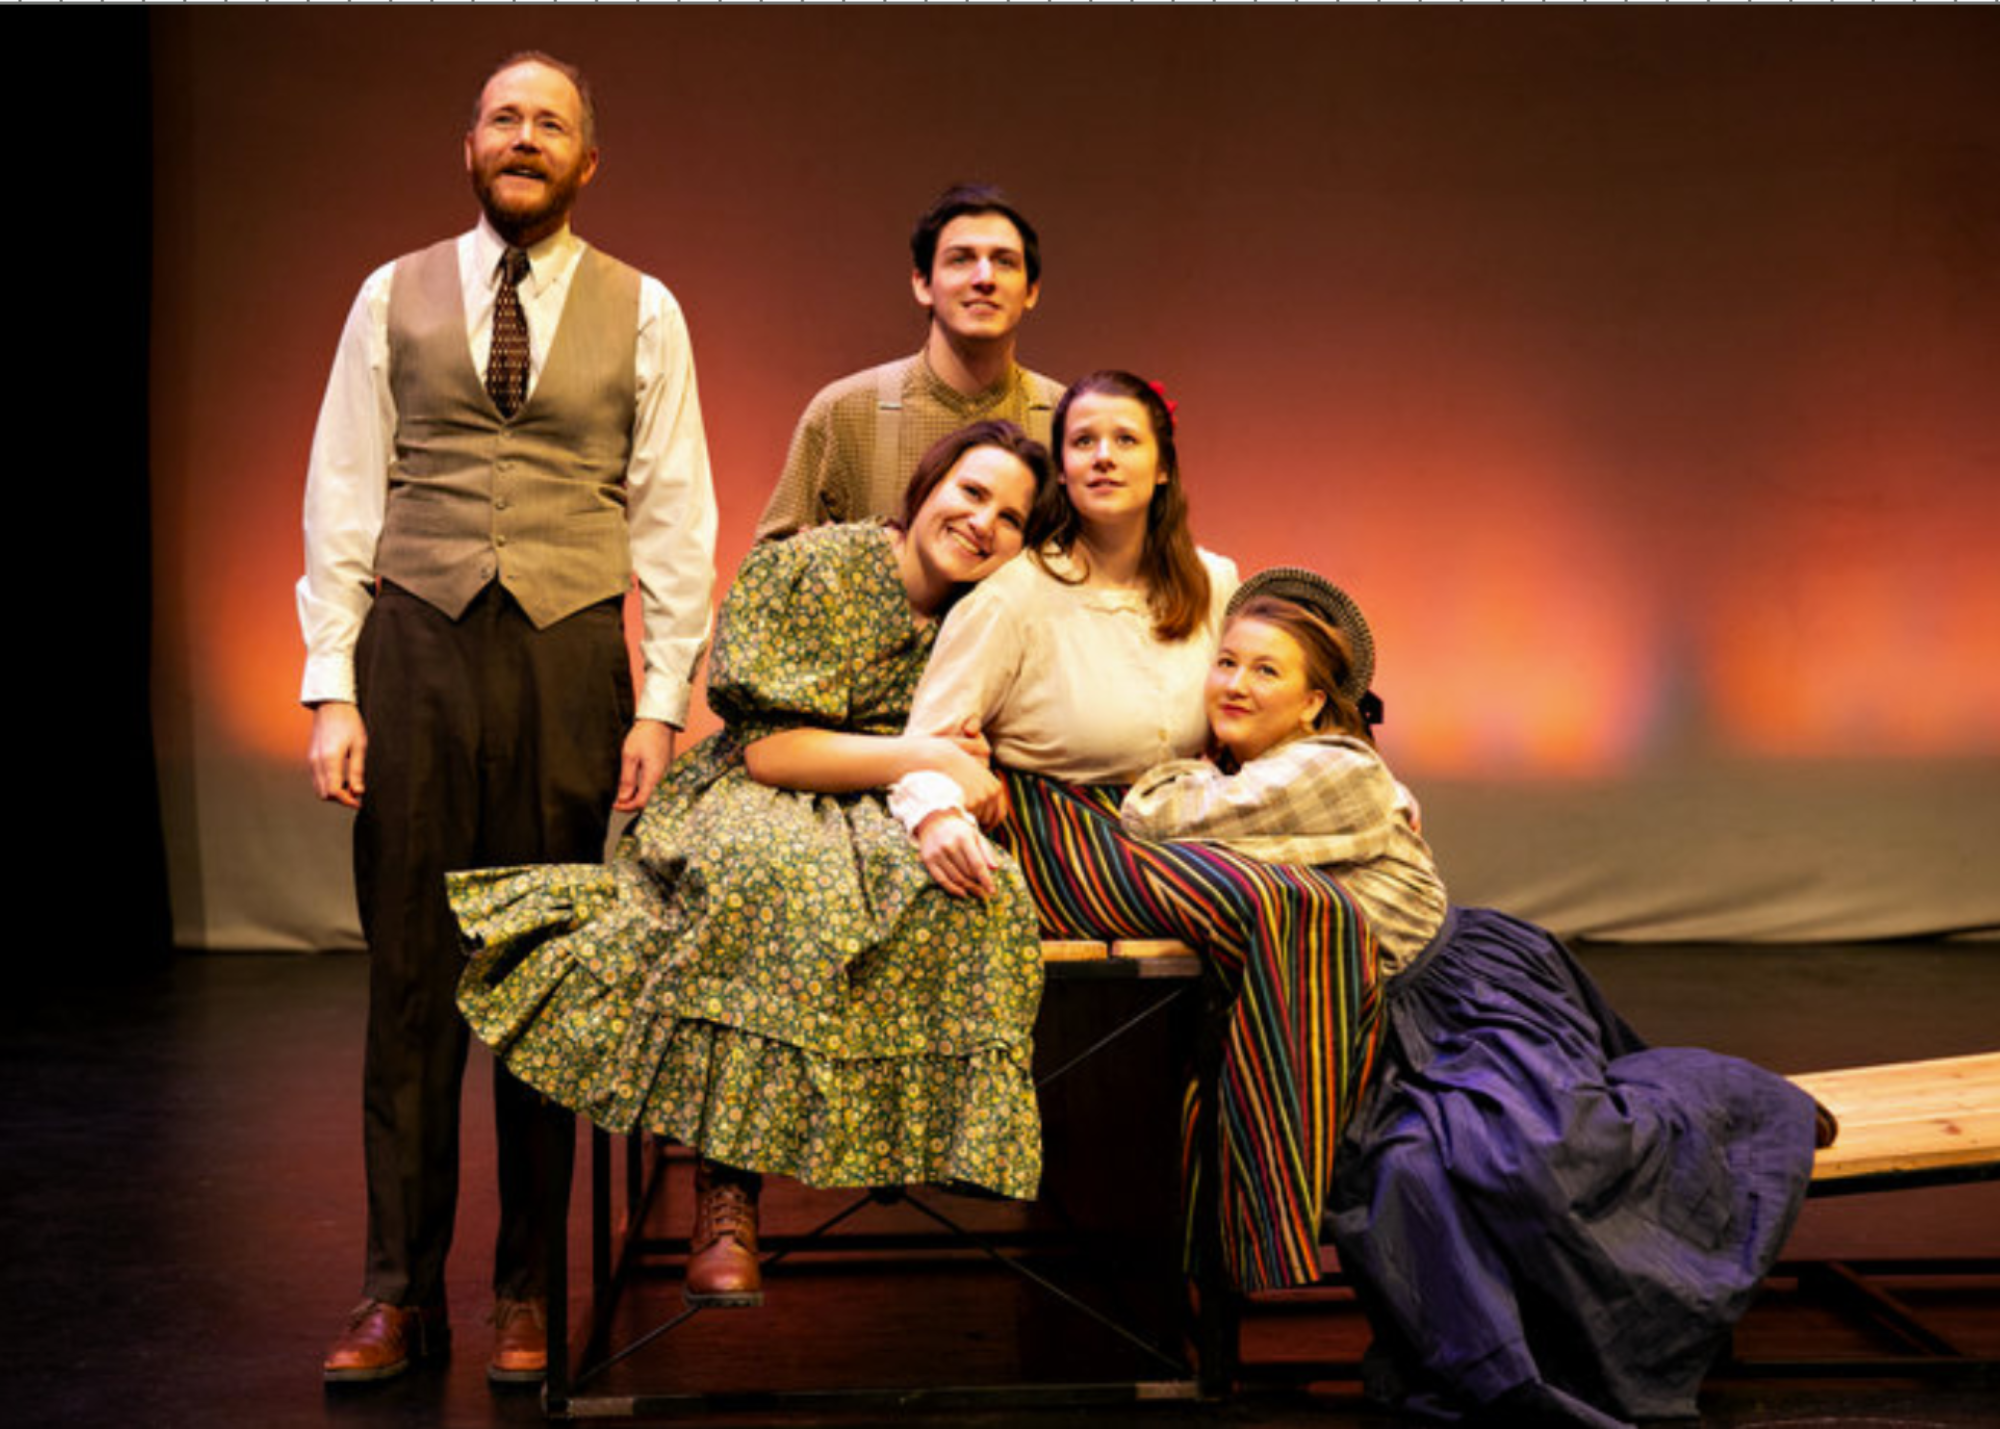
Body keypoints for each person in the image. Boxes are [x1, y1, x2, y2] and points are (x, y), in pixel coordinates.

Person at [1121, 571, 1822, 1428]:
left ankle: (1735, 1110)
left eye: (1267, 671)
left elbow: (1156, 819)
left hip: (1460, 1008)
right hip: (1372, 1035)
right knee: (1409, 1178)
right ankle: (1504, 1369)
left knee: (1528, 1156)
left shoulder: (1329, 769)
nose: (1234, 683)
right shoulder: (1257, 771)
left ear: (1313, 704)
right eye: (1226, 662)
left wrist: (1172, 775)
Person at [296, 52, 719, 1384]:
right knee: (414, 984)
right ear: (467, 146)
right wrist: (329, 685)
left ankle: (524, 1290)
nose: (523, 137)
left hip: (567, 657)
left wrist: (660, 702)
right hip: (413, 648)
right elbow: (342, 492)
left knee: (546, 983)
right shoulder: (391, 293)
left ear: (589, 162)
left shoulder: (647, 310)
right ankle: (395, 1295)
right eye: (502, 118)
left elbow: (674, 516)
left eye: (550, 123)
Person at [446, 423, 1053, 1310]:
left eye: (1011, 517)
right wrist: (923, 753)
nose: (981, 522)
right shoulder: (816, 566)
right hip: (769, 789)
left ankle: (938, 1136)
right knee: (777, 885)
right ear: (928, 484)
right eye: (971, 492)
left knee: (973, 895)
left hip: (887, 805)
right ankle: (726, 1192)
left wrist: (960, 774)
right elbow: (774, 755)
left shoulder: (994, 610)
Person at [898, 372, 1382, 1294]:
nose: (1102, 457)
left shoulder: (1215, 580)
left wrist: (1363, 781)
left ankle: (1244, 1209)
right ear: (1062, 469)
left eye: (1124, 439)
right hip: (1062, 824)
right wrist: (936, 816)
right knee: (1296, 906)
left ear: (1163, 464)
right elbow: (927, 740)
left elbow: (1267, 703)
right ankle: (1271, 1239)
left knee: (1336, 918)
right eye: (1081, 442)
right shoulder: (1016, 594)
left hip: (1188, 807)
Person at [754, 183, 1064, 539]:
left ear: (1032, 290)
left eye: (1004, 262)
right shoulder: (845, 413)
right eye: (961, 259)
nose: (984, 278)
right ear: (922, 283)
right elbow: (770, 571)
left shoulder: (1066, 422)